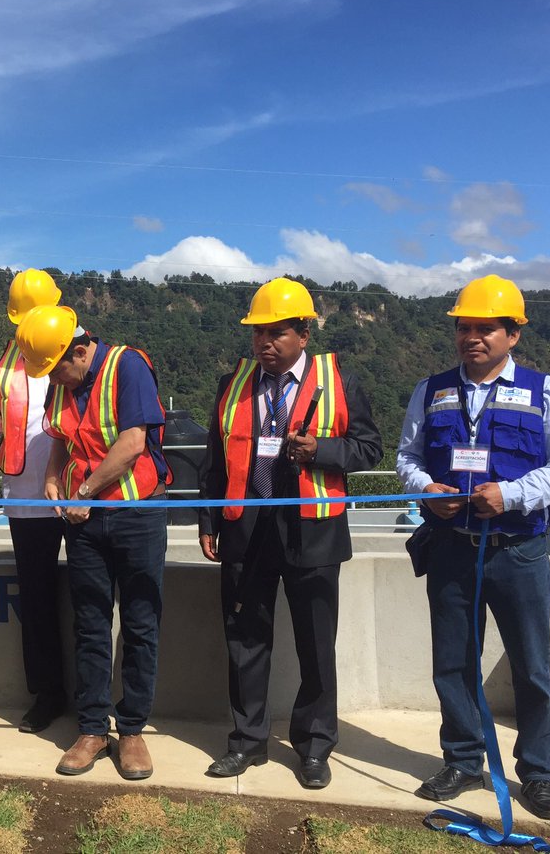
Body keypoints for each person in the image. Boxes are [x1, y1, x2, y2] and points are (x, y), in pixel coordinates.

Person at [395, 274, 550, 821]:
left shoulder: (544, 391)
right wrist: (427, 490)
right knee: (453, 661)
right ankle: (461, 759)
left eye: (486, 329)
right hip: (452, 549)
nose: (472, 338)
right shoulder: (430, 392)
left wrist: (515, 494)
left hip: (520, 549)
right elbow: (408, 459)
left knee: (531, 666)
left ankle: (540, 774)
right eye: (464, 328)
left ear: (512, 335)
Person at [198, 277, 382, 790]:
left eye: (276, 334)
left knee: (315, 642)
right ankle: (247, 741)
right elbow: (216, 457)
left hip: (313, 529)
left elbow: (369, 449)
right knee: (245, 638)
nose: (264, 345)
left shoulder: (340, 378)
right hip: (246, 524)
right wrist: (209, 519)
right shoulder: (232, 383)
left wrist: (320, 451)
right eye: (258, 334)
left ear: (304, 333)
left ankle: (315, 745)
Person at [16, 304, 170, 781]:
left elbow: (132, 444)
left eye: (59, 370)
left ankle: (132, 731)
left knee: (141, 624)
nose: (55, 380)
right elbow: (61, 436)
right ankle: (90, 728)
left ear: (79, 350)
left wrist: (83, 492)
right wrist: (50, 478)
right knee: (90, 624)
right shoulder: (59, 378)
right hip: (83, 522)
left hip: (135, 514)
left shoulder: (128, 367)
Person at [0, 269, 69, 733]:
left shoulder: (80, 352)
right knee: (36, 601)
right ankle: (47, 694)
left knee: (91, 598)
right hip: (26, 501)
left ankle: (96, 701)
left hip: (81, 494)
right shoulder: (1, 368)